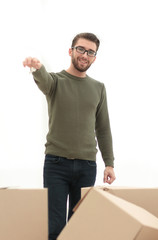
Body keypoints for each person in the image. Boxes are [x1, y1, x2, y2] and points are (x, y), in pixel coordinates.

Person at [23, 32, 115, 240]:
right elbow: (44, 80)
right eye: (81, 49)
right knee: (55, 228)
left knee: (79, 228)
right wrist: (37, 67)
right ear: (71, 51)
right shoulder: (56, 82)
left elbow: (103, 128)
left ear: (94, 57)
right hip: (56, 165)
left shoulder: (98, 88)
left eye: (90, 52)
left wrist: (109, 163)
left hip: (87, 166)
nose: (85, 55)